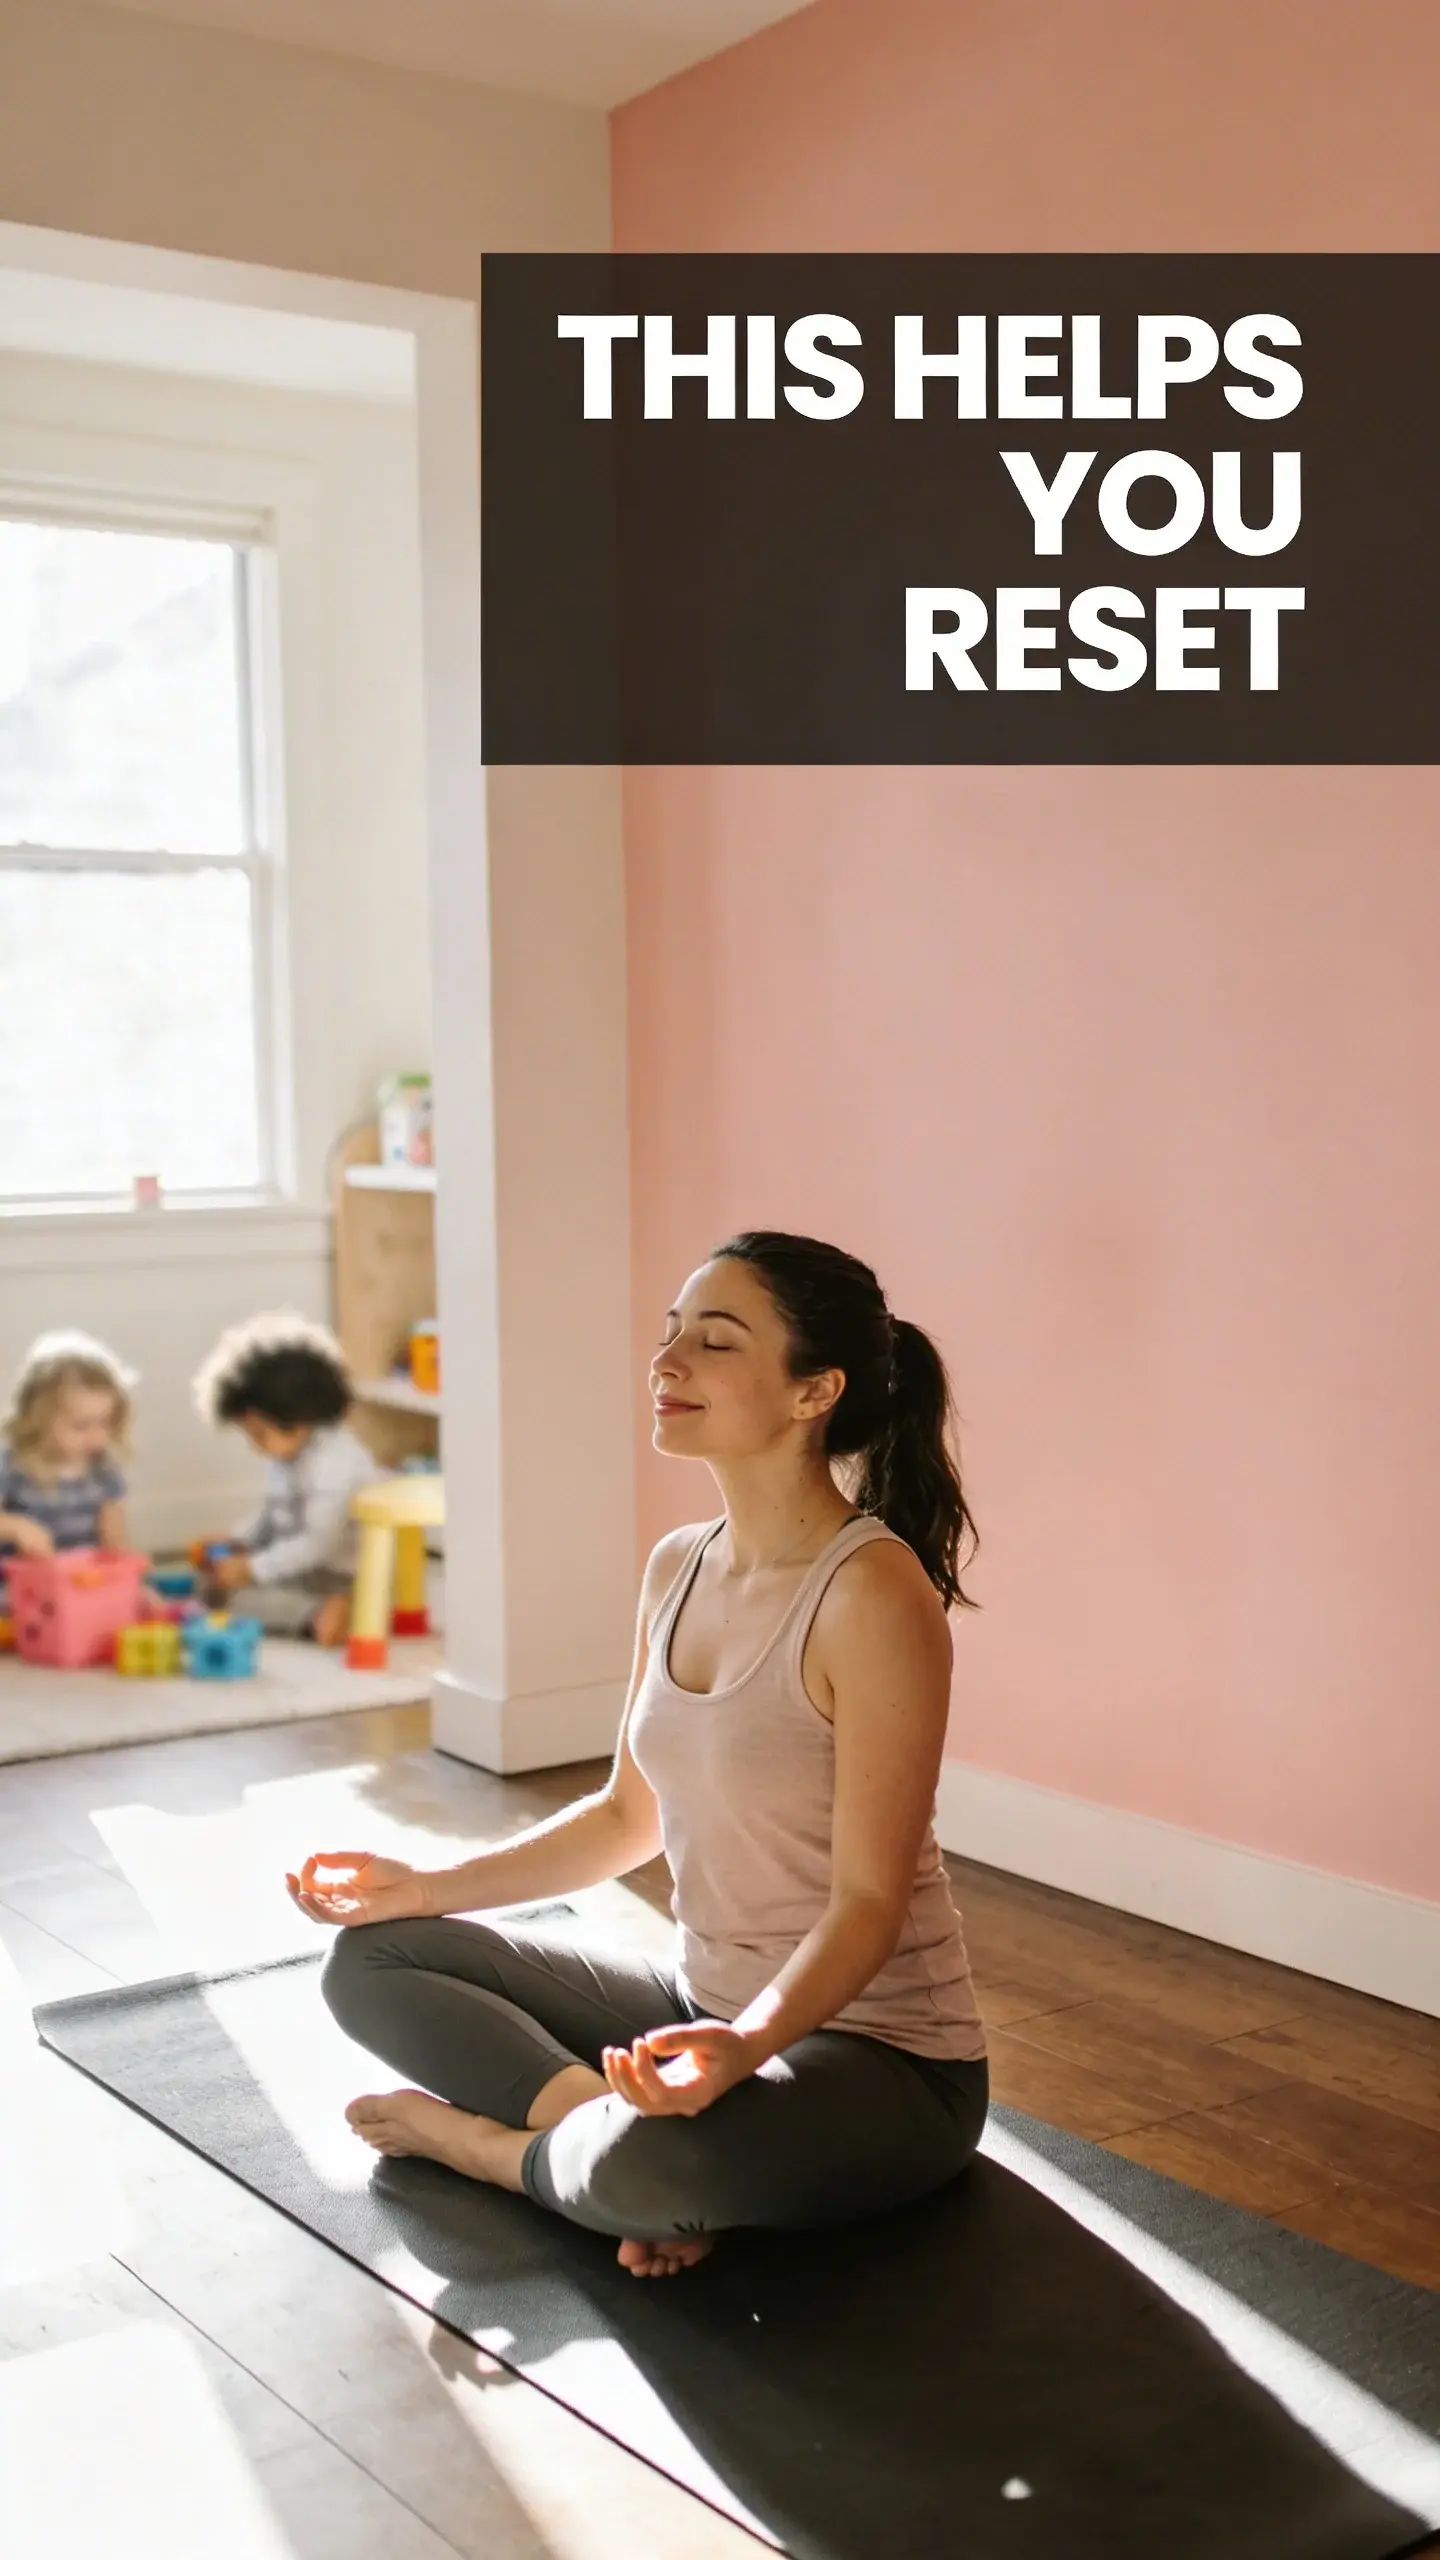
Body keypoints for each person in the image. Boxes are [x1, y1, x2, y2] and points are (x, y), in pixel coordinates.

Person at [289, 1232, 990, 2277]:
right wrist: (422, 1886)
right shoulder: (678, 1566)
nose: (666, 1364)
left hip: (885, 2058)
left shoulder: (872, 1596)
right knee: (375, 1958)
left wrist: (745, 2052)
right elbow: (628, 1817)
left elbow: (868, 1903)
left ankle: (505, 2152)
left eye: (713, 1341)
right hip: (697, 2002)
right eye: (668, 1336)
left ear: (815, 1392)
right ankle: (605, 2139)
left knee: (647, 2175)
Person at [191, 1313, 378, 1645]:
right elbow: (272, 1513)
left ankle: (319, 1615)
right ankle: (313, 1612)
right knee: (211, 1589)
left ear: (299, 1418)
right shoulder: (289, 1453)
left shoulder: (333, 1464)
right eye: (250, 1435)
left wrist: (253, 1568)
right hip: (299, 1568)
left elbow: (319, 1545)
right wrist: (239, 1541)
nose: (255, 1446)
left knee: (237, 1600)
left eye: (260, 1435)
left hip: (340, 1575)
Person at [0, 1330, 133, 1561]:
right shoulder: (11, 1465)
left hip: (80, 1583)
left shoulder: (103, 1470)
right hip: (22, 1584)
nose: (96, 1438)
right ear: (37, 1418)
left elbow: (115, 1543)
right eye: (81, 1426)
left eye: (105, 1423)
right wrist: (16, 1526)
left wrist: (133, 1580)